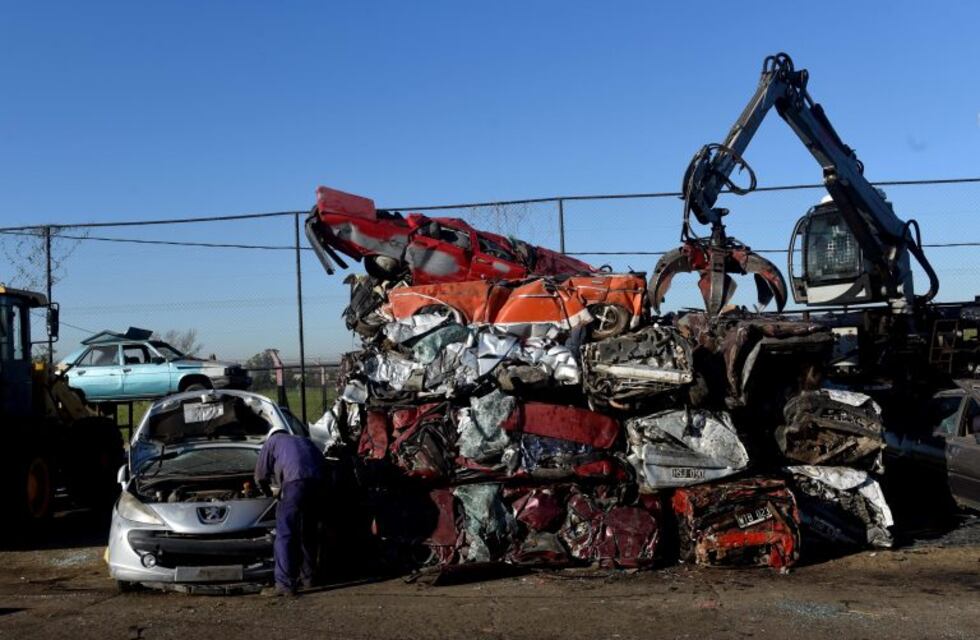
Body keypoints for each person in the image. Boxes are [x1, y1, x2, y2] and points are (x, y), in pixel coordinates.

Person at [254, 426, 326, 596]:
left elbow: (260, 475)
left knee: (285, 533)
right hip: (318, 484)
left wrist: (267, 494)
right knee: (308, 531)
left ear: (270, 435)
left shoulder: (272, 442)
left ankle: (284, 584)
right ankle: (308, 579)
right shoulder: (305, 440)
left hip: (295, 483)